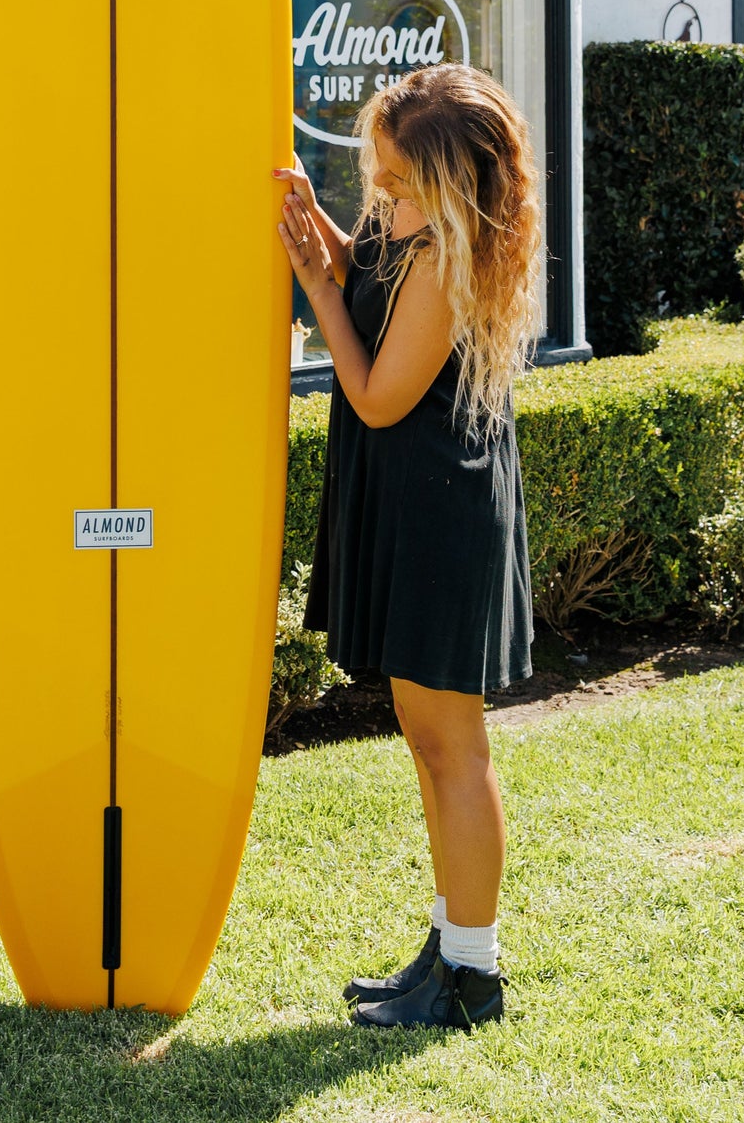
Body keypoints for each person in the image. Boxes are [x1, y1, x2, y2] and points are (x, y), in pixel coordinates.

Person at [273, 62, 542, 1032]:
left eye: (389, 177)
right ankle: (448, 948)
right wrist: (333, 243)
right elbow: (368, 283)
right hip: (421, 499)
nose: (373, 191)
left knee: (450, 747)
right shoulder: (411, 226)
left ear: (443, 184)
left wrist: (314, 288)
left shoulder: (445, 258)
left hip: (439, 512)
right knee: (430, 744)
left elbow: (379, 391)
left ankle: (472, 974)